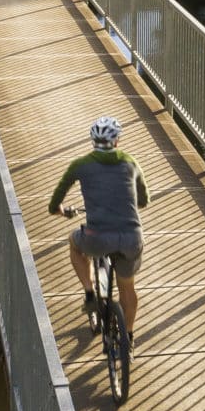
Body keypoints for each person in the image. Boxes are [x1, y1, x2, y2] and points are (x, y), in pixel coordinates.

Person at [47, 115, 150, 336]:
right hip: (131, 239)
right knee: (128, 289)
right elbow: (144, 200)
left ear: (93, 141)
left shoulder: (80, 165)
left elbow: (54, 202)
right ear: (117, 141)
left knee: (74, 242)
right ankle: (128, 338)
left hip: (97, 237)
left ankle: (89, 293)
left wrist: (61, 210)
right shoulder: (131, 162)